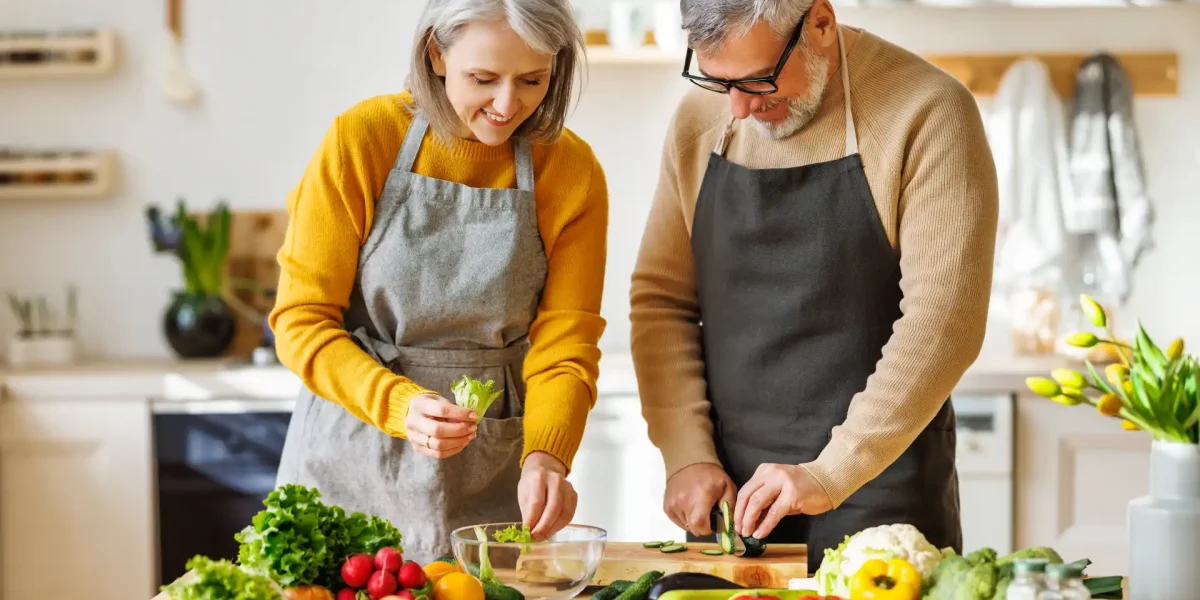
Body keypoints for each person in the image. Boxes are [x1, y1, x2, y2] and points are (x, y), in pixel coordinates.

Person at [629, 0, 999, 573]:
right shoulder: (701, 121)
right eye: (719, 81)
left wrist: (830, 474)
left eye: (759, 80)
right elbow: (662, 300)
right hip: (733, 504)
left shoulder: (928, 112)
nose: (741, 107)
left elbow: (944, 323)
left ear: (820, 23)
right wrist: (685, 455)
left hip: (882, 496)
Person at [270, 0, 609, 565]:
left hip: (491, 473)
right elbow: (300, 322)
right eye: (483, 78)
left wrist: (547, 457)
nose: (507, 105)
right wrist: (398, 403)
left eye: (532, 80)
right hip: (352, 457)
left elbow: (565, 346)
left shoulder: (570, 170)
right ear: (436, 52)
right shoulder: (364, 139)